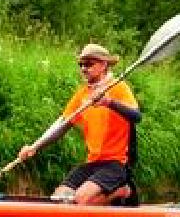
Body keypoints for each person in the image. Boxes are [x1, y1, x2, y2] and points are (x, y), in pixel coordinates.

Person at [18, 43, 142, 206]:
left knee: (80, 200)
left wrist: (109, 102)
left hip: (116, 163)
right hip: (92, 162)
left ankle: (122, 190)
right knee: (58, 199)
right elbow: (62, 124)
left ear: (104, 64)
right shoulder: (82, 94)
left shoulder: (119, 88)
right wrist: (35, 146)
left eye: (89, 63)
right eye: (81, 64)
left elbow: (136, 116)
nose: (84, 68)